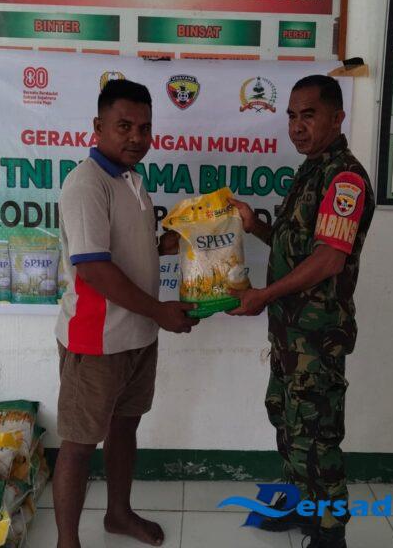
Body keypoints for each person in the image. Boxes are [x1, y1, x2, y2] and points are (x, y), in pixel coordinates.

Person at [229, 75, 375, 548]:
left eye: (308, 115)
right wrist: (254, 226)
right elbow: (295, 247)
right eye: (291, 115)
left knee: (317, 433)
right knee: (287, 419)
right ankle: (298, 503)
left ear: (337, 117)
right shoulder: (311, 170)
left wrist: (265, 295)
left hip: (317, 335)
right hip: (289, 334)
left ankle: (331, 532)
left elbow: (329, 259)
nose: (296, 126)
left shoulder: (344, 178)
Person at [53, 79, 197, 548]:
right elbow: (93, 268)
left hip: (138, 335)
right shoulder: (86, 183)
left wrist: (161, 247)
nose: (137, 137)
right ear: (98, 127)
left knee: (125, 427)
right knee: (78, 444)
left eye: (145, 127)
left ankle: (118, 514)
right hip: (96, 340)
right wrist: (160, 311)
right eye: (124, 126)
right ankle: (67, 542)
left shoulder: (132, 180)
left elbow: (122, 252)